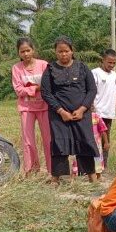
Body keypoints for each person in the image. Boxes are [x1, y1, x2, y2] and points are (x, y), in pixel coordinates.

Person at [40, 36, 99, 184]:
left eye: (66, 51)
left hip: (82, 114)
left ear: (72, 51)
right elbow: (46, 93)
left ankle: (92, 178)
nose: (63, 54)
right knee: (59, 144)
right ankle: (56, 180)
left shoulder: (83, 67)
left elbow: (92, 90)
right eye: (60, 51)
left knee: (85, 142)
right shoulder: (50, 69)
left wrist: (82, 109)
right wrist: (61, 111)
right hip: (59, 115)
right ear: (55, 52)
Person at [11, 38, 52, 175]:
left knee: (48, 139)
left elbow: (49, 85)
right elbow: (18, 90)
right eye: (22, 51)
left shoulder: (44, 65)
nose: (26, 54)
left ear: (33, 50)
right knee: (28, 141)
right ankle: (31, 171)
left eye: (28, 50)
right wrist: (36, 88)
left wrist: (32, 89)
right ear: (19, 53)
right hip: (26, 108)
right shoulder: (16, 68)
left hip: (45, 106)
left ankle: (53, 170)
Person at [91, 49, 116, 169]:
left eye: (114, 63)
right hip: (97, 113)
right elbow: (90, 92)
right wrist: (92, 109)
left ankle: (102, 167)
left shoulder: (115, 75)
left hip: (109, 114)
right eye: (109, 62)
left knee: (106, 142)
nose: (111, 65)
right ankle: (94, 167)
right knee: (96, 141)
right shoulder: (95, 73)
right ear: (103, 60)